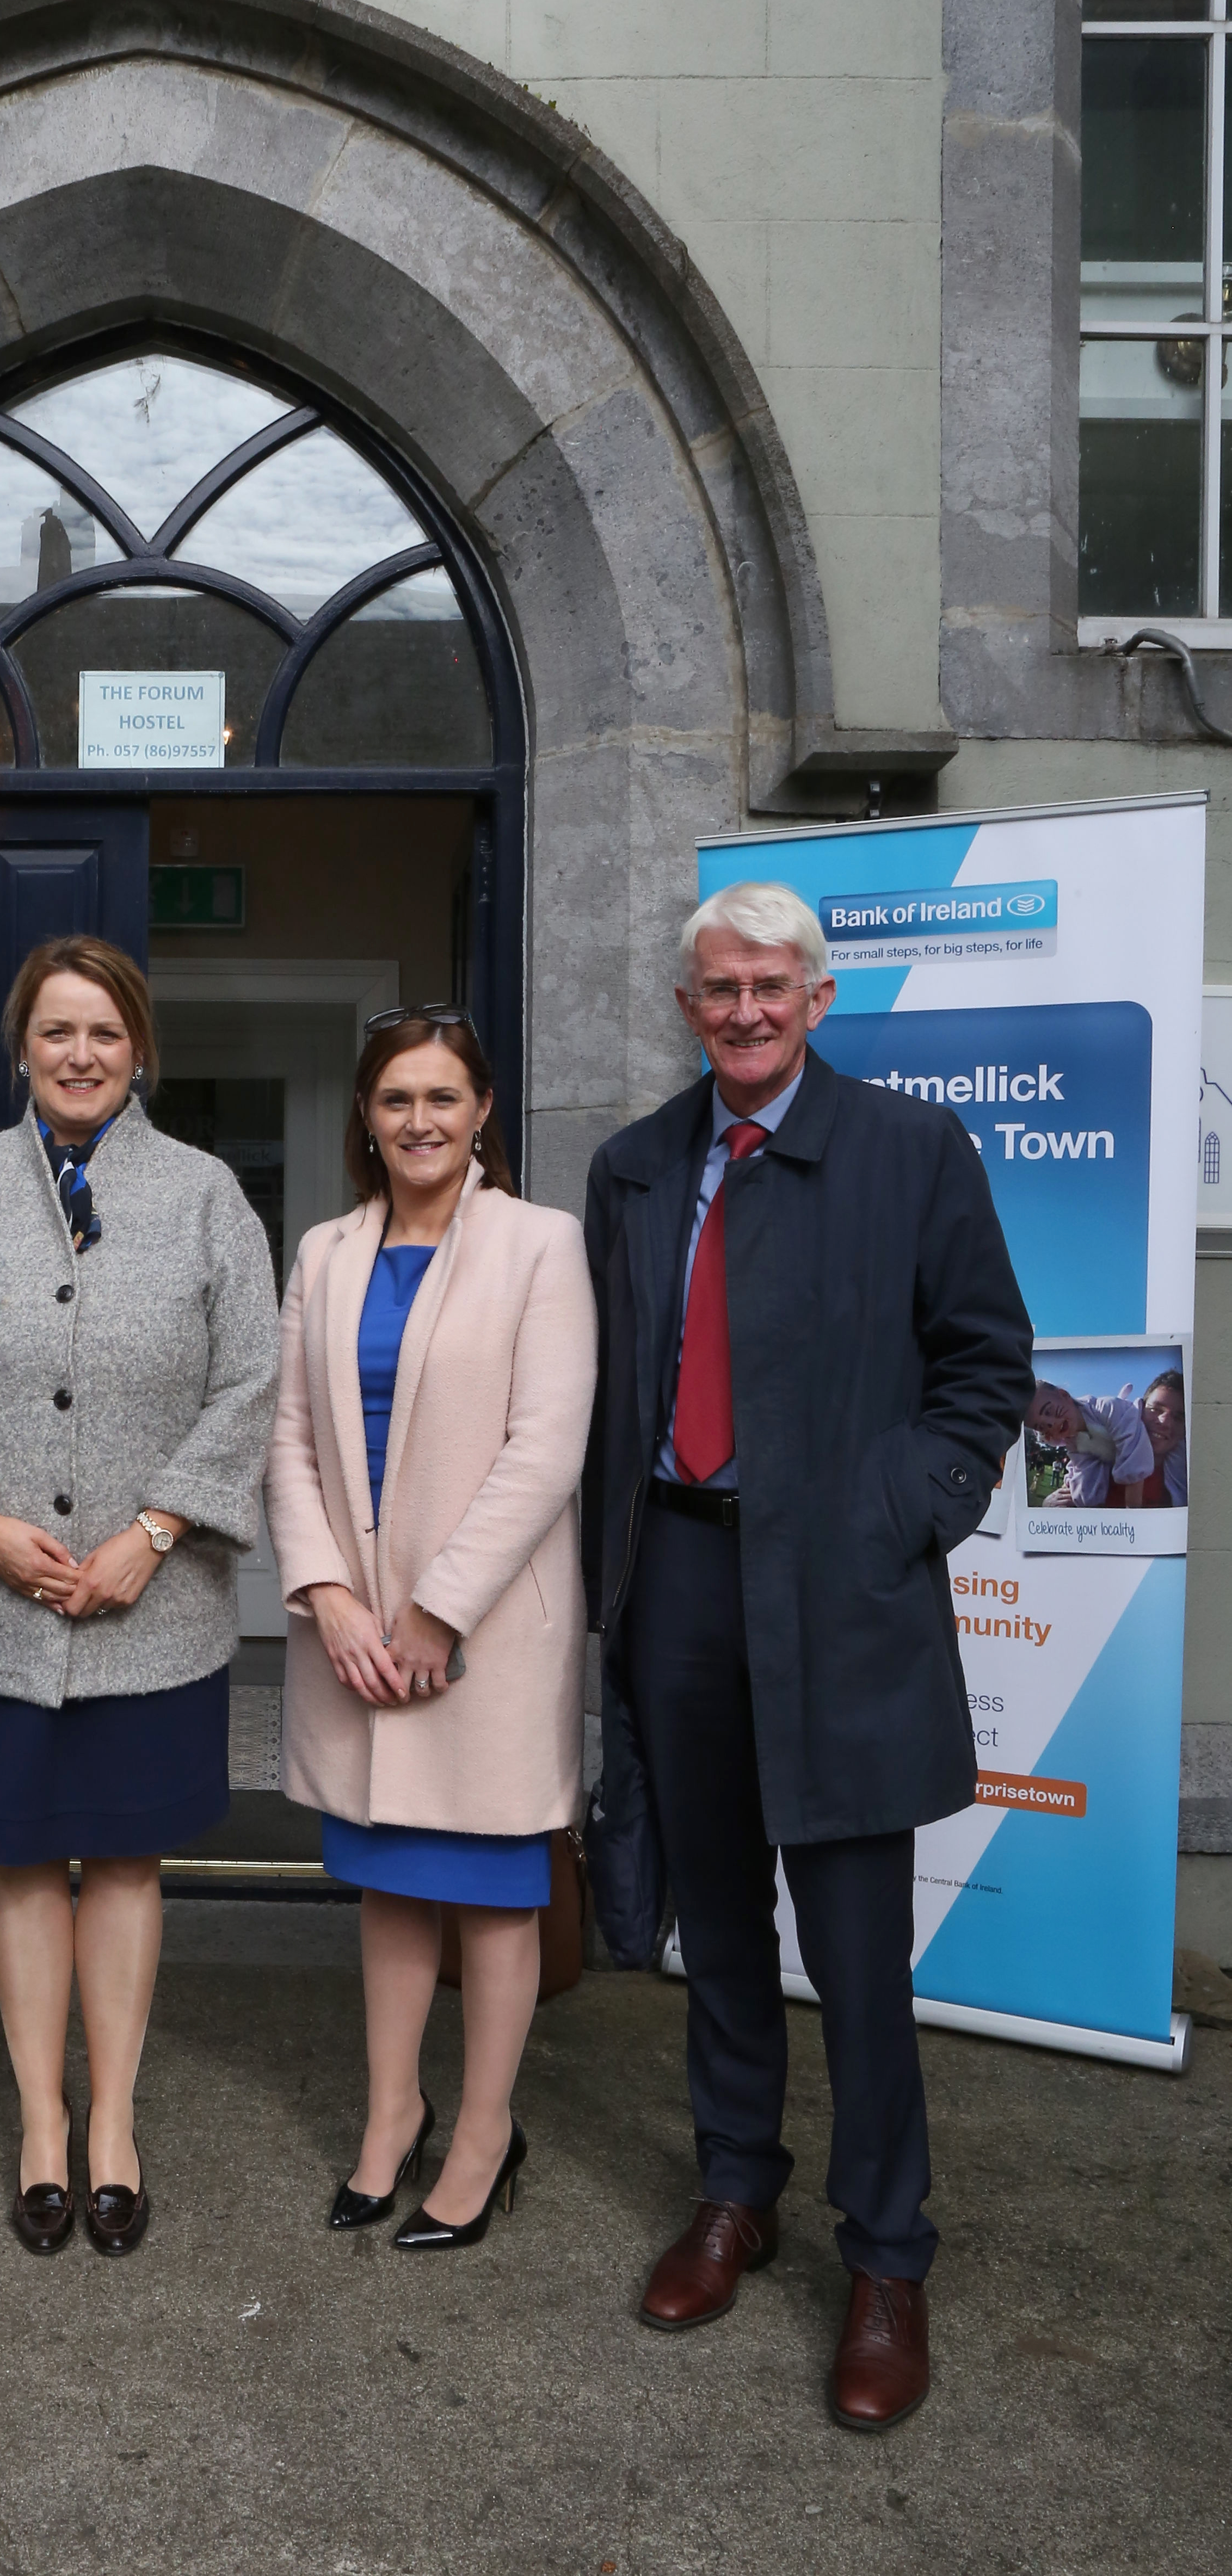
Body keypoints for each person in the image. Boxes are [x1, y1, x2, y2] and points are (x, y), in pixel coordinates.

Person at [582, 883, 1031, 2432]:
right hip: (678, 1584)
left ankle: (885, 2257)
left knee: (851, 1956)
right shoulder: (634, 1166)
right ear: (687, 1004)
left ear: (818, 998)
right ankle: (732, 2193)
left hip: (841, 1596)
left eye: (771, 986)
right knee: (716, 1923)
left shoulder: (911, 1152)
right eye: (717, 989)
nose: (744, 1011)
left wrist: (887, 1516)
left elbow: (986, 1368)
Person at [0, 934, 278, 2258]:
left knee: (126, 1859)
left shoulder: (207, 1195)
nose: (80, 1055)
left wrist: (152, 1533)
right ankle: (43, 2121)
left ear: (138, 1048)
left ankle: (115, 2125)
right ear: (20, 1048)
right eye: (55, 1033)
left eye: (103, 1033)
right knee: (22, 1856)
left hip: (154, 1611)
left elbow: (250, 1383)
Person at [265, 1009, 596, 2250]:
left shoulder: (536, 1245)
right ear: (364, 1115)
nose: (419, 1121)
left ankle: (481, 2132)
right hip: (352, 1639)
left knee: (493, 1890)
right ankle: (387, 2114)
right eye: (396, 1099)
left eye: (442, 1099)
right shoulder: (324, 1253)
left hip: (481, 1634)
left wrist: (433, 1609)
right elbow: (285, 1438)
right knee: (387, 1886)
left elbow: (543, 1448)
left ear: (481, 1114)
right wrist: (329, 1598)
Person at [1024, 1379, 1151, 1506]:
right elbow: (1086, 1492)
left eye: (1049, 1411)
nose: (1050, 1424)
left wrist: (1133, 1515)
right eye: (1041, 1427)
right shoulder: (1073, 1442)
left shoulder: (1108, 1408)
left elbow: (1135, 1460)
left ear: (1064, 1395)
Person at [1137, 1369, 1187, 1506]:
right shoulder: (1096, 1470)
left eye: (1179, 1417)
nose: (1165, 1422)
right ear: (1140, 1409)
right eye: (1156, 1409)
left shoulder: (1191, 1485)